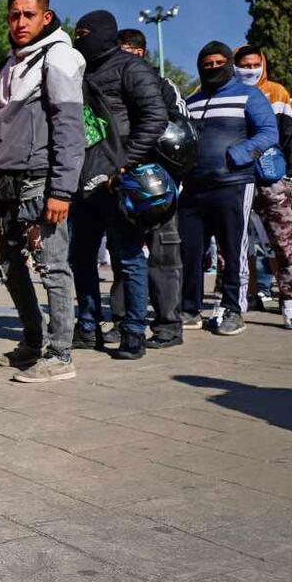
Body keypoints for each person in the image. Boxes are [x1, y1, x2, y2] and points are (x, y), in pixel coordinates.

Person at [0, 0, 86, 382]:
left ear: (46, 16)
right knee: (9, 265)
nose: (20, 22)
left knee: (53, 267)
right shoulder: (11, 63)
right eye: (14, 15)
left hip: (41, 179)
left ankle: (61, 354)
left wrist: (61, 190)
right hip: (7, 181)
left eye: (28, 15)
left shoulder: (59, 56)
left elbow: (69, 128)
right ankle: (31, 343)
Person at [69, 10, 167, 360]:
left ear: (103, 34)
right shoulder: (79, 71)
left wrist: (127, 162)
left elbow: (155, 117)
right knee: (80, 257)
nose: (79, 39)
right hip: (84, 179)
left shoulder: (131, 68)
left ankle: (133, 332)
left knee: (127, 257)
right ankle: (88, 326)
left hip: (121, 181)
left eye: (85, 33)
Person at [181, 41, 278, 335]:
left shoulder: (249, 95)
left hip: (234, 183)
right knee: (189, 249)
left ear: (229, 65)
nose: (212, 68)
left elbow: (269, 133)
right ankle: (189, 309)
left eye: (218, 63)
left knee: (234, 250)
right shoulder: (192, 101)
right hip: (194, 187)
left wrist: (235, 156)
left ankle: (234, 309)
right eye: (206, 64)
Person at [103, 28, 187, 349]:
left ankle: (168, 325)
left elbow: (181, 132)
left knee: (164, 253)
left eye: (123, 51)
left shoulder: (164, 87)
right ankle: (124, 321)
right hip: (122, 186)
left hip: (159, 186)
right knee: (123, 255)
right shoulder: (109, 89)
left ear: (138, 53)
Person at [233, 45, 292, 329]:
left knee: (284, 243)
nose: (249, 69)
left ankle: (291, 301)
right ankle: (240, 298)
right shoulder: (228, 93)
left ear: (262, 65)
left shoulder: (277, 92)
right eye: (243, 65)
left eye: (254, 64)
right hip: (237, 178)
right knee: (235, 243)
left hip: (272, 178)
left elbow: (291, 136)